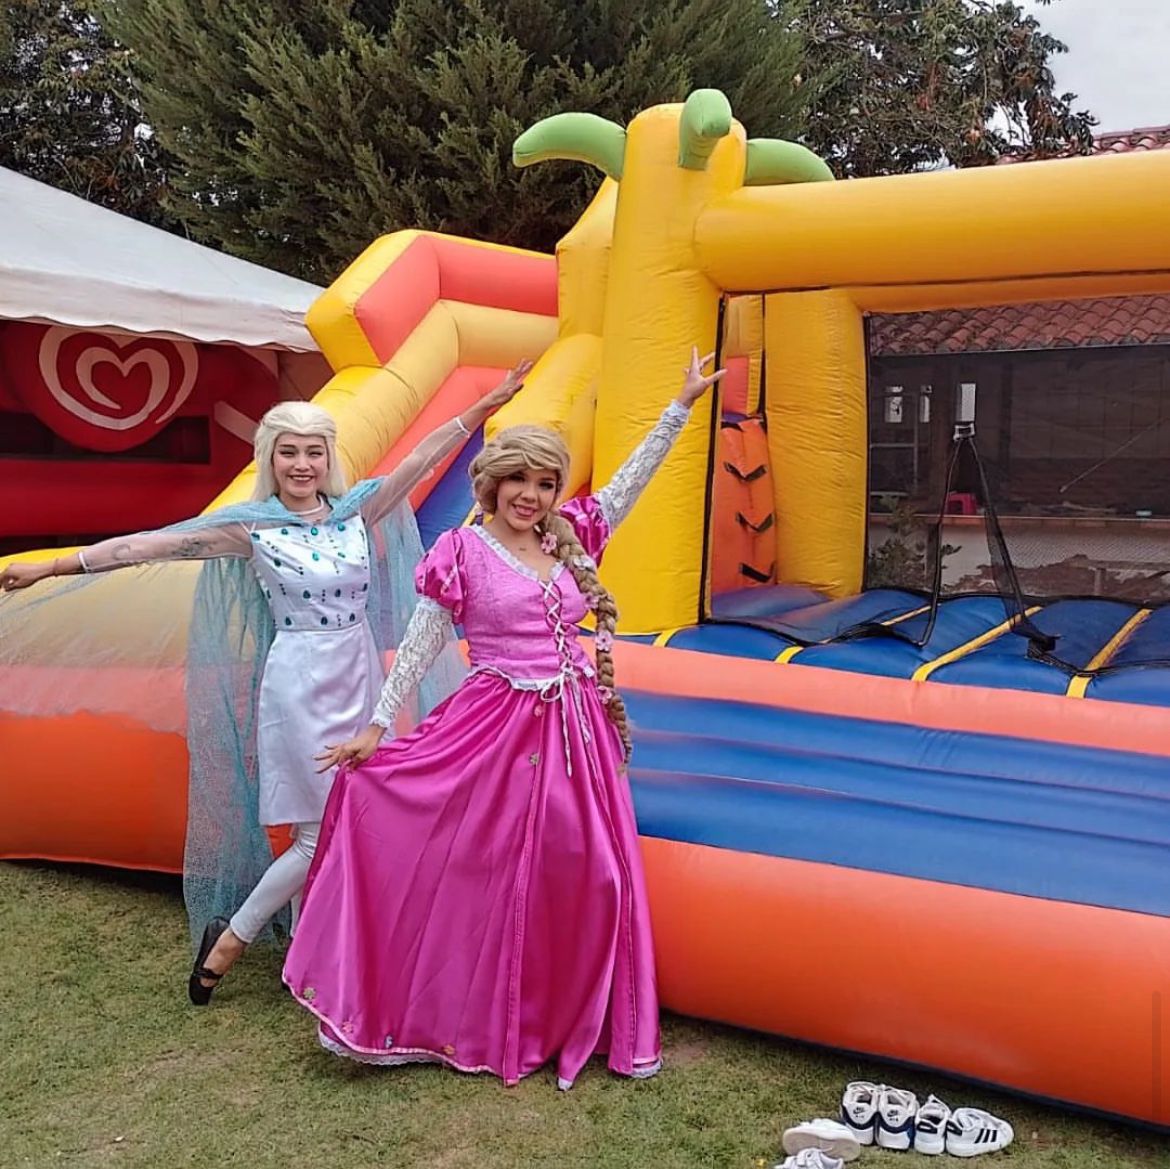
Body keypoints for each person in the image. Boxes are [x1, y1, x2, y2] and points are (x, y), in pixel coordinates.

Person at [0, 363, 530, 1003]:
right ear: (270, 458)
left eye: (313, 451)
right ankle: (234, 939)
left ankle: (316, 950)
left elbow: (420, 460)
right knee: (316, 834)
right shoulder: (250, 527)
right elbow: (146, 548)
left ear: (327, 457)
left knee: (361, 813)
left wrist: (482, 405)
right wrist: (50, 566)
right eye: (289, 452)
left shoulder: (359, 510)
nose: (302, 464)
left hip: (360, 673)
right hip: (299, 682)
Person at [283, 347, 724, 1088]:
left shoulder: (572, 532)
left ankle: (569, 1014)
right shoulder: (462, 550)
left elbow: (628, 486)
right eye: (518, 478)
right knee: (488, 873)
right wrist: (378, 724)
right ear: (490, 483)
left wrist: (679, 407)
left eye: (545, 481)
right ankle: (465, 1011)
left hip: (577, 731)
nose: (532, 493)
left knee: (593, 873)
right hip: (496, 724)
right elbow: (423, 641)